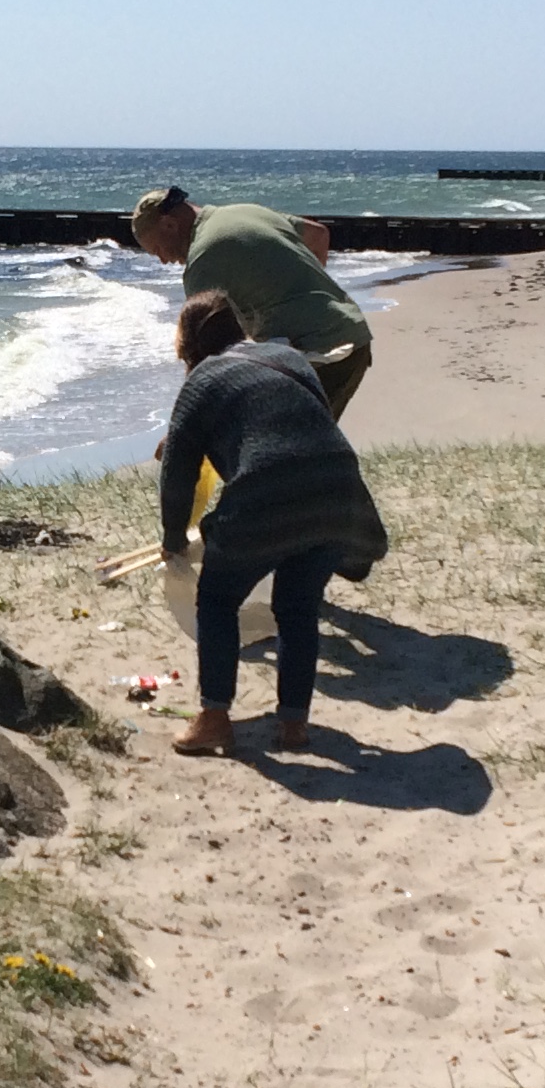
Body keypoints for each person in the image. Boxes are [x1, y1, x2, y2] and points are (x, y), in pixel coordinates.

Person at [158, 290, 389, 759]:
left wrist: (172, 540)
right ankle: (294, 727)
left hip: (267, 492)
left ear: (189, 345)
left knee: (218, 601)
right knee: (297, 608)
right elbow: (307, 425)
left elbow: (177, 476)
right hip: (338, 491)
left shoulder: (202, 381)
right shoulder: (289, 358)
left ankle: (215, 719)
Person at [130, 186, 376, 417]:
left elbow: (201, 355)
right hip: (350, 332)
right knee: (306, 447)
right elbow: (318, 234)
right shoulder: (247, 211)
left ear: (169, 224)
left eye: (158, 249)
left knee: (286, 450)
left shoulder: (203, 262)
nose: (163, 260)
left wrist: (186, 419)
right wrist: (301, 293)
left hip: (321, 355)